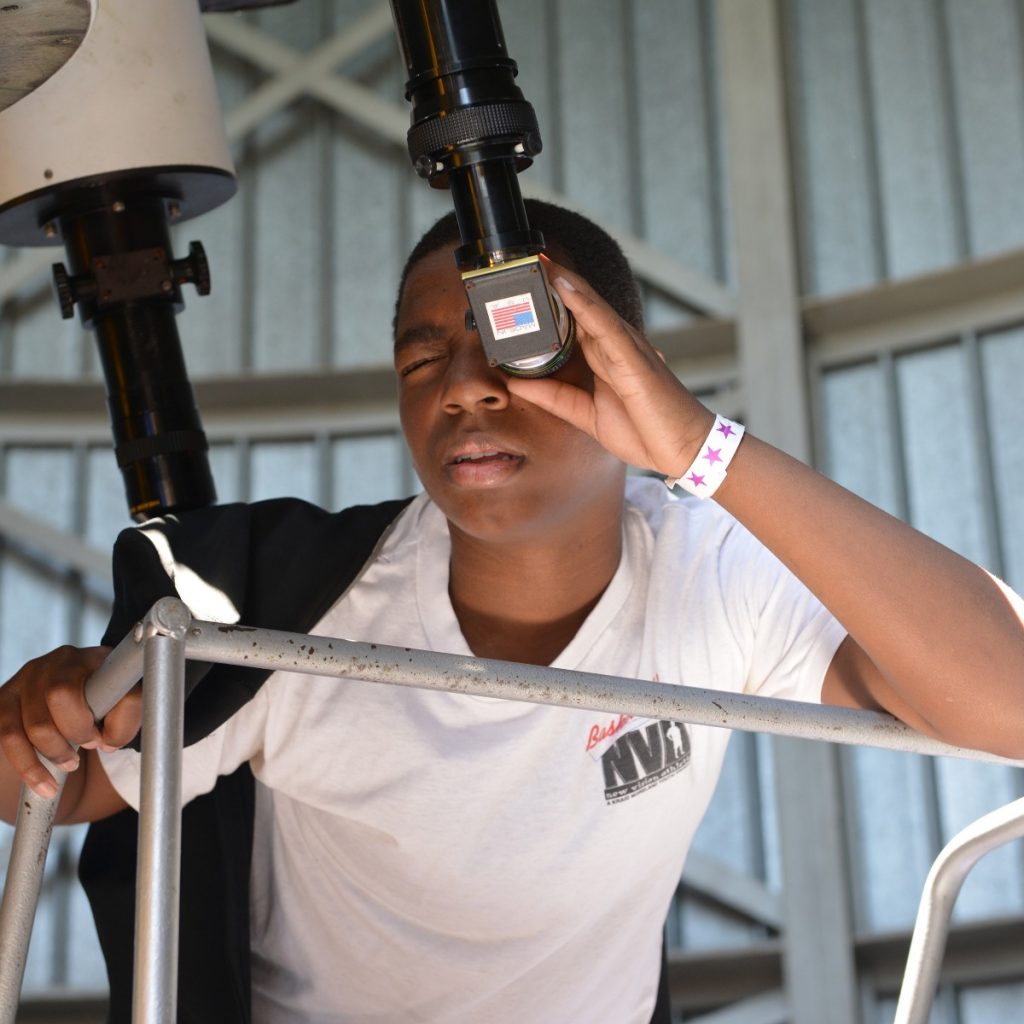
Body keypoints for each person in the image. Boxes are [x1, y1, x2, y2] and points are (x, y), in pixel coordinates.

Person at [1, 199, 1023, 1024]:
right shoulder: (294, 600)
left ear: (619, 357)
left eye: (511, 342)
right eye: (419, 359)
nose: (461, 390)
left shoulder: (710, 569)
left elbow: (1007, 699)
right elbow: (55, 785)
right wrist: (41, 713)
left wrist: (696, 446)